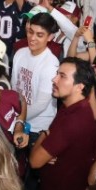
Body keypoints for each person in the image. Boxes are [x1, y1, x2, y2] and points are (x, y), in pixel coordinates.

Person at [29, 58, 96, 190]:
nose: (54, 80)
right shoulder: (72, 107)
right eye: (57, 74)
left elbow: (34, 161)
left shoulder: (73, 120)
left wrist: (44, 135)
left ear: (80, 86)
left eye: (62, 76)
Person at [11, 13, 61, 145]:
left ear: (50, 37)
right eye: (30, 32)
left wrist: (17, 120)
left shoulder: (51, 64)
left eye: (39, 35)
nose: (32, 38)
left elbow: (41, 104)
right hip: (17, 120)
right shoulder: (20, 53)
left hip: (38, 128)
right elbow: (14, 87)